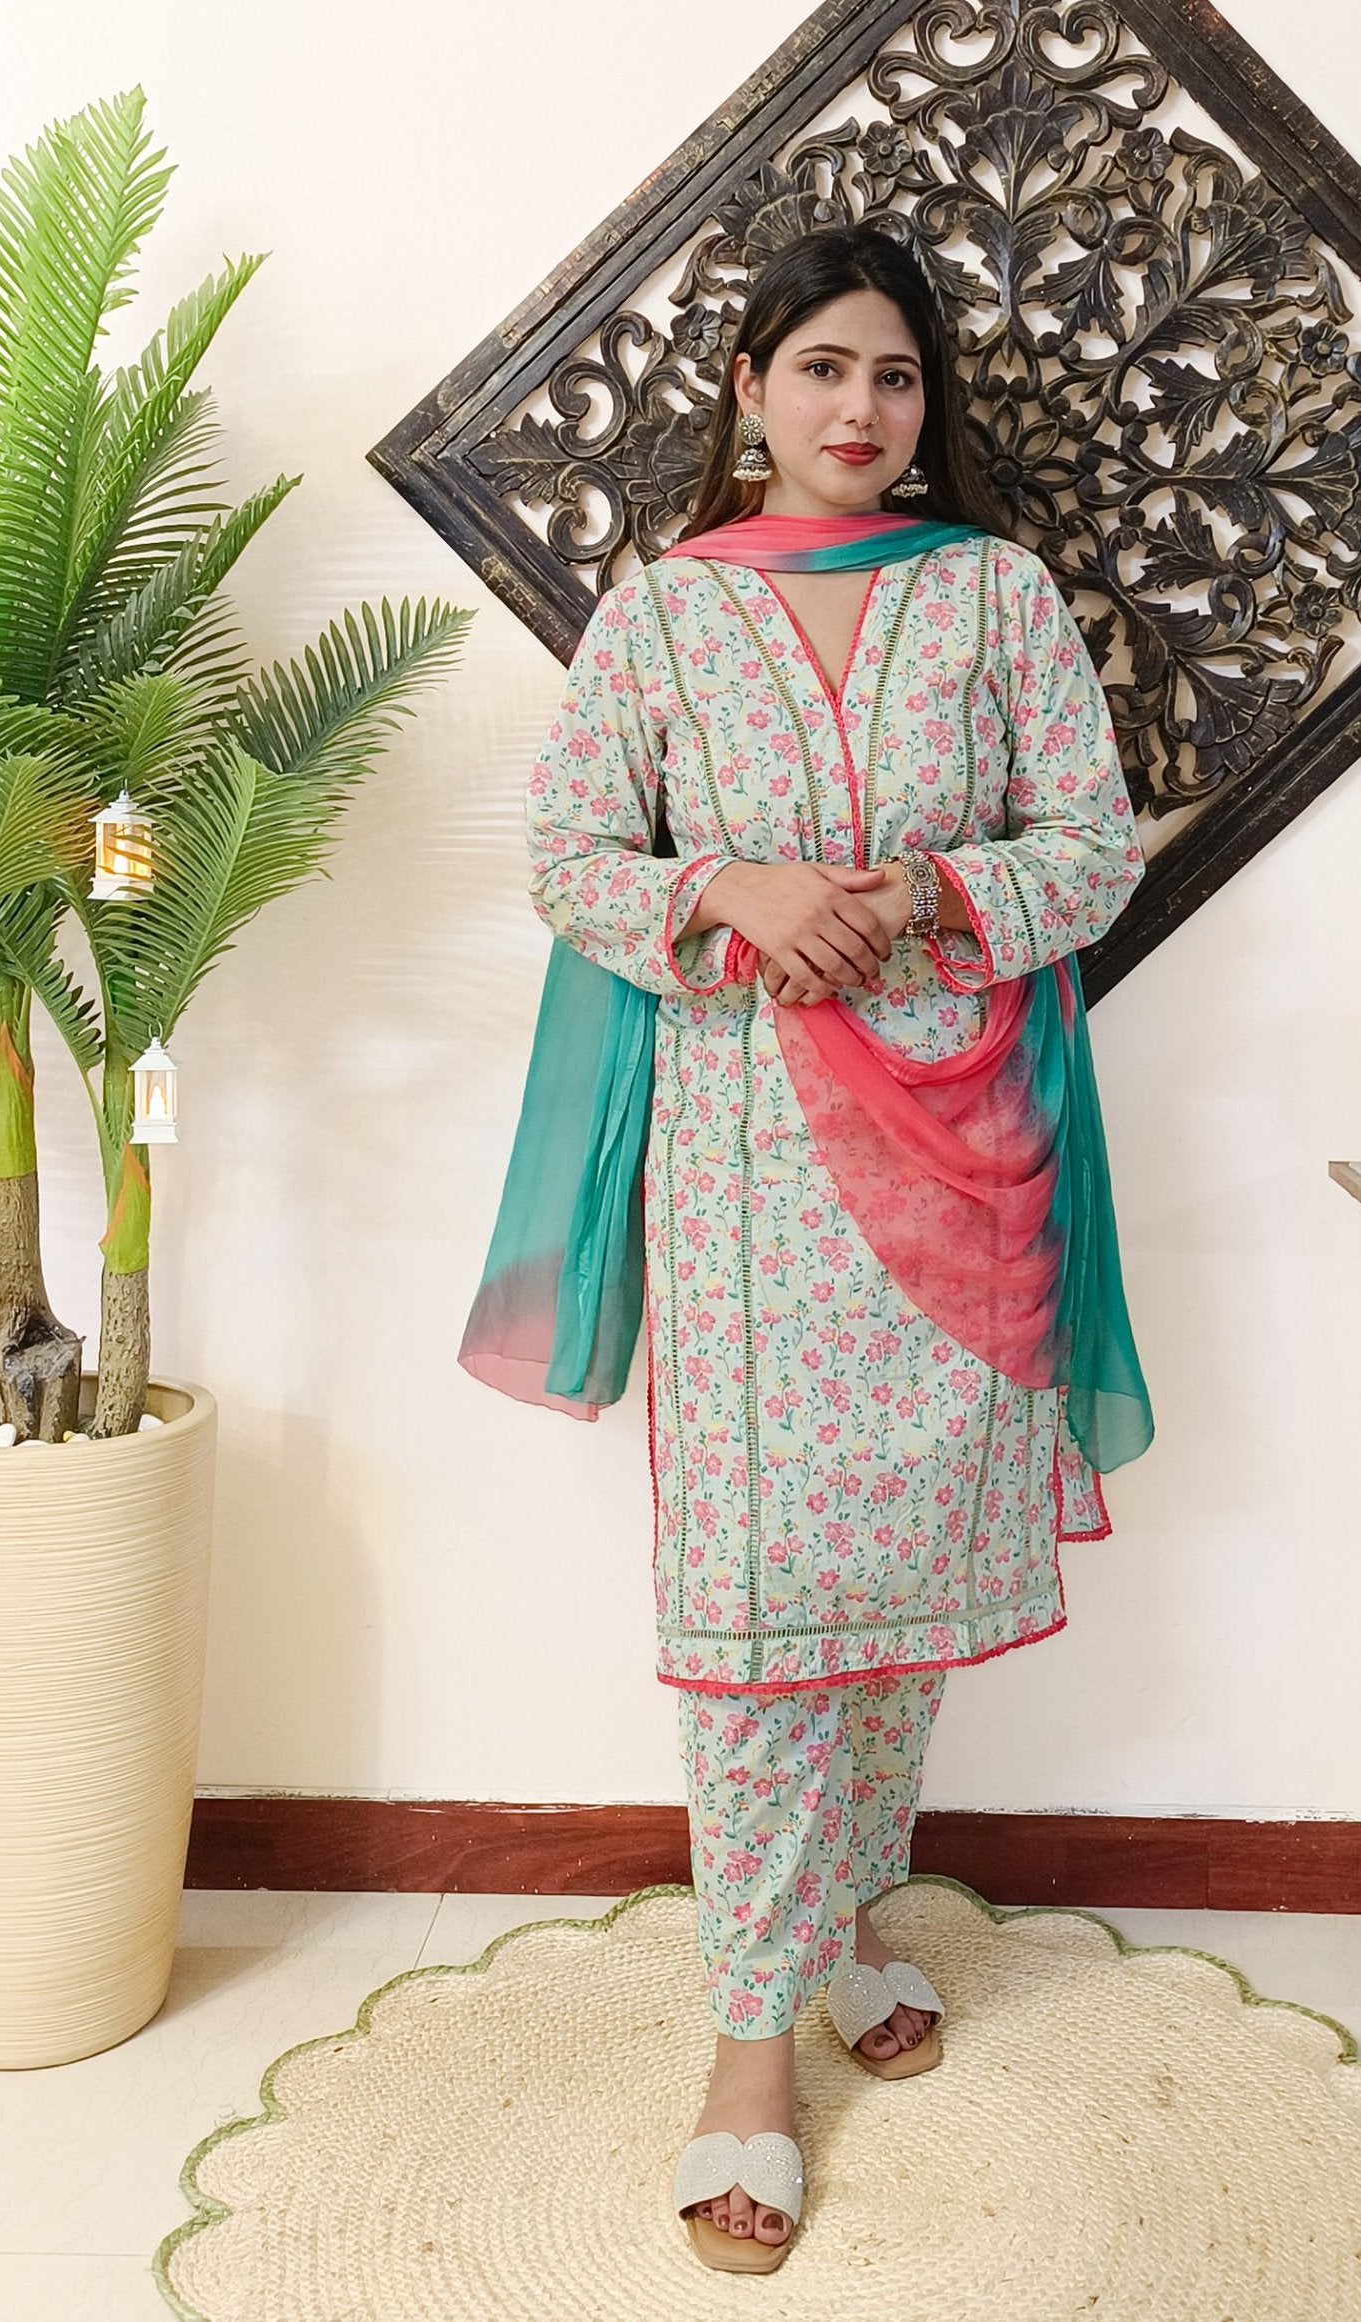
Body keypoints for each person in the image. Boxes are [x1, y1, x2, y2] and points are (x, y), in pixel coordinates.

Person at [518, 224, 1150, 2271]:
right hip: (742, 1171)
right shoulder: (661, 611)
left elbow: (1091, 848)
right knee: (754, 1600)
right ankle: (744, 2056)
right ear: (747, 387)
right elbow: (565, 852)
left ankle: (853, 1914)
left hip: (969, 1161)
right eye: (819, 368)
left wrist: (928, 893)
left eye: (892, 374)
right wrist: (732, 888)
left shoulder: (994, 594)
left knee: (896, 1585)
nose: (859, 409)